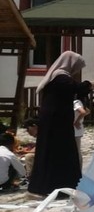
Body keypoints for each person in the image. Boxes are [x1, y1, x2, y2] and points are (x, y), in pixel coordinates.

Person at [28, 51, 84, 196]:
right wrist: (89, 85)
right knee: (60, 153)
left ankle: (48, 185)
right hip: (57, 123)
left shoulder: (59, 76)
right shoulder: (61, 77)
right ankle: (59, 185)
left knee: (52, 151)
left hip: (55, 120)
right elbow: (76, 89)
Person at [73, 80, 92, 157]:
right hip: (78, 130)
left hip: (75, 130)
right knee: (77, 151)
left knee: (76, 152)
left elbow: (83, 112)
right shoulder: (82, 102)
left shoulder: (76, 102)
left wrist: (76, 121)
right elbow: (88, 111)